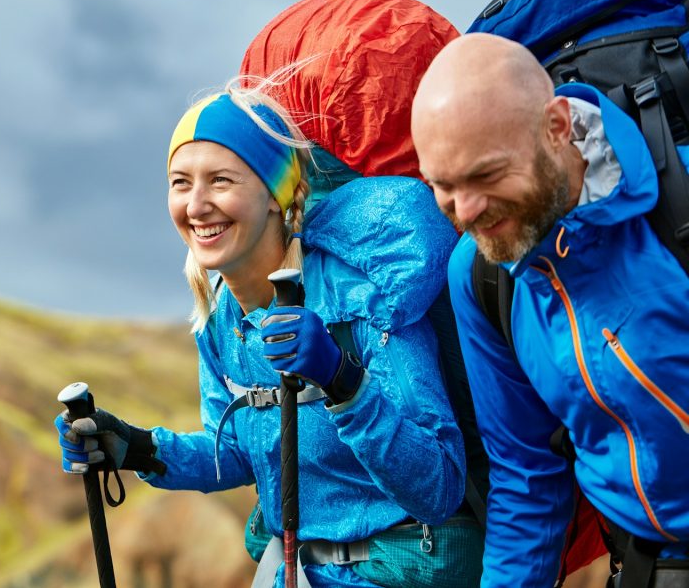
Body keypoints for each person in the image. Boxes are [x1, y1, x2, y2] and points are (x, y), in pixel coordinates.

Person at [57, 76, 484, 587]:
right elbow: (238, 451)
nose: (195, 205)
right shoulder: (220, 323)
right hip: (300, 572)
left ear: (276, 196)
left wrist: (341, 379)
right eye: (180, 182)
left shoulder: (362, 299)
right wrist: (138, 448)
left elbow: (438, 485)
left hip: (405, 568)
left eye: (221, 180)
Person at [410, 33, 689, 587]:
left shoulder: (678, 193)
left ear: (558, 127)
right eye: (443, 186)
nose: (465, 212)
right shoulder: (481, 276)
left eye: (487, 176)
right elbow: (526, 479)